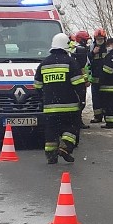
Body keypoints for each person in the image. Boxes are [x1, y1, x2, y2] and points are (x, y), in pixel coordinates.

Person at [33, 32, 87, 164]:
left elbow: (37, 86)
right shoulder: (71, 62)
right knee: (71, 128)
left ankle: (51, 155)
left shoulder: (44, 64)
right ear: (65, 46)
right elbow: (79, 84)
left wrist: (45, 99)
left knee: (51, 131)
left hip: (50, 108)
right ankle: (66, 148)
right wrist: (82, 100)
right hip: (69, 106)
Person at [72, 30, 92, 129]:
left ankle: (76, 121)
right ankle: (78, 121)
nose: (87, 42)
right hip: (80, 81)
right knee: (81, 101)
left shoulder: (75, 49)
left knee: (78, 101)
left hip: (76, 80)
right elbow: (82, 68)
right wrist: (86, 80)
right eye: (86, 40)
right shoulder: (81, 51)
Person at [88, 28, 108, 123]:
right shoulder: (92, 47)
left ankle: (106, 115)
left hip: (106, 78)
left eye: (101, 38)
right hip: (95, 78)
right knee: (96, 98)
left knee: (105, 98)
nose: (99, 40)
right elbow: (87, 60)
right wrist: (92, 53)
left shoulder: (107, 48)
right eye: (98, 38)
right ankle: (97, 116)